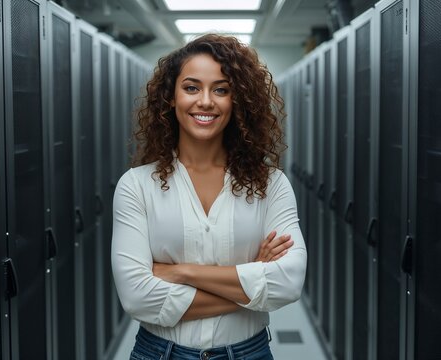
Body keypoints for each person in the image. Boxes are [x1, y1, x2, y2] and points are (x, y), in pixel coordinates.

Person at [111, 33, 307, 360]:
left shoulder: (271, 184)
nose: (205, 101)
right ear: (171, 97)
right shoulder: (136, 186)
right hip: (159, 353)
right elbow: (137, 297)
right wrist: (253, 276)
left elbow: (288, 283)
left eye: (221, 89)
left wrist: (179, 272)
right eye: (191, 87)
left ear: (237, 99)